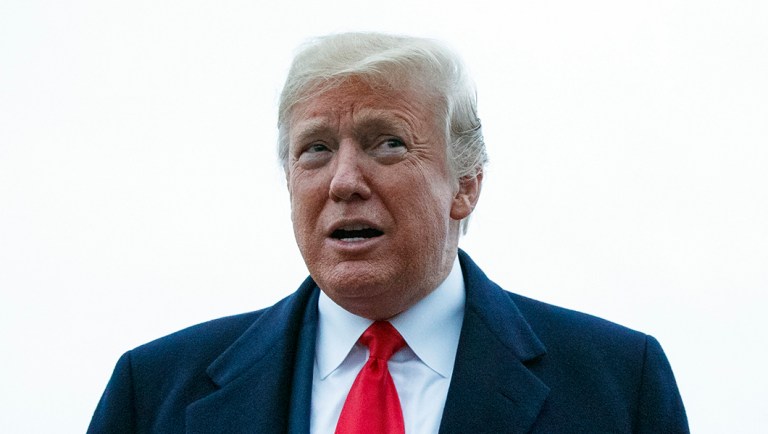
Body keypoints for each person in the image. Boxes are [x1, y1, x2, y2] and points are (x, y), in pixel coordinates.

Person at [88, 32, 688, 433]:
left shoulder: (617, 384)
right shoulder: (156, 392)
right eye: (315, 150)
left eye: (389, 143)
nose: (343, 181)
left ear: (466, 185)